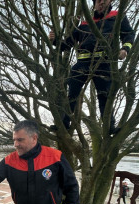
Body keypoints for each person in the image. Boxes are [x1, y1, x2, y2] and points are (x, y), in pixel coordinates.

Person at [49, 0, 135, 134]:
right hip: (83, 63)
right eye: (98, 1)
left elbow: (129, 34)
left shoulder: (117, 17)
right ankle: (64, 123)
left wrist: (125, 49)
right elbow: (68, 43)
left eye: (104, 0)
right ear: (94, 4)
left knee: (105, 96)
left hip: (105, 63)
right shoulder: (84, 23)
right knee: (72, 92)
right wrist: (55, 41)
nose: (101, 3)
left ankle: (109, 127)